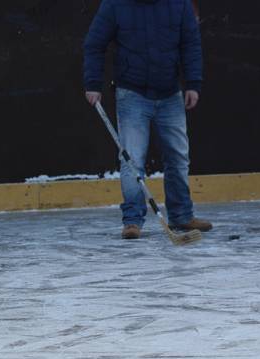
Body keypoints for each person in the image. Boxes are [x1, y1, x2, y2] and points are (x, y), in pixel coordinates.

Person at [83, 0, 212, 239]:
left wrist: (193, 84)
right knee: (132, 160)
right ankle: (132, 221)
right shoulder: (115, 4)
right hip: (132, 93)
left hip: (170, 93)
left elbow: (191, 44)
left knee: (178, 157)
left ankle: (182, 216)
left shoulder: (179, 4)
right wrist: (92, 84)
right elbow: (94, 44)